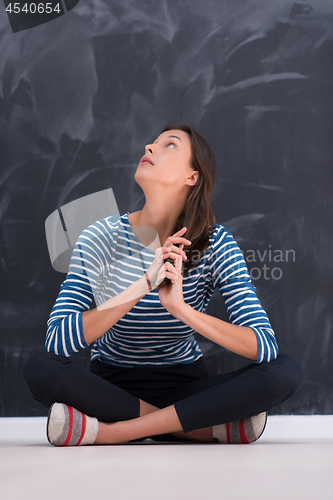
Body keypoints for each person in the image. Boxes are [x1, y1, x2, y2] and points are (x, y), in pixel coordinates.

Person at [22, 124, 304, 446]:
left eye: (169, 145)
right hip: (110, 384)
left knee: (285, 371)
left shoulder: (217, 244)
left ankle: (112, 432)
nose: (149, 148)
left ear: (192, 177)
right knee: (40, 367)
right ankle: (195, 428)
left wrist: (180, 309)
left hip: (183, 383)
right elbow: (57, 343)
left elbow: (264, 347)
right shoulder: (99, 237)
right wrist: (142, 285)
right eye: (152, 143)